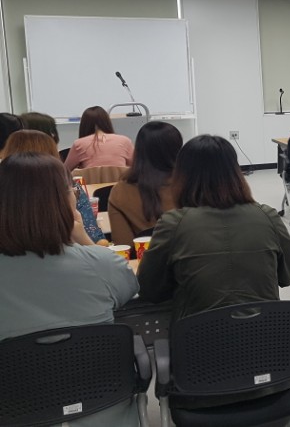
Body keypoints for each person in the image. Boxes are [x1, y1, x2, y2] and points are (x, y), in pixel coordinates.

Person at [0, 153, 139, 425]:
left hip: (17, 413)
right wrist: (83, 238)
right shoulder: (101, 266)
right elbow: (130, 290)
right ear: (63, 201)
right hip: (104, 411)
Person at [137, 135, 290, 321]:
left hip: (198, 335)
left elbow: (149, 289)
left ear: (181, 177)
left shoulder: (173, 224)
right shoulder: (267, 216)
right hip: (266, 333)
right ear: (236, 173)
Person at [1, 130, 109, 246]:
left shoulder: (6, 191)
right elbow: (96, 240)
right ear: (53, 157)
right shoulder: (68, 189)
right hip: (68, 253)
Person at [108, 122, 183, 249]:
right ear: (179, 151)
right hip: (193, 258)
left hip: (145, 259)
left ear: (138, 150)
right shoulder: (192, 187)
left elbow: (124, 246)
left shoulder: (120, 192)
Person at [63, 106, 134, 171]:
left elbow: (65, 171)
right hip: (119, 181)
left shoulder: (79, 144)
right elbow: (135, 168)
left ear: (84, 125)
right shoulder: (125, 141)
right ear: (107, 122)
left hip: (90, 181)